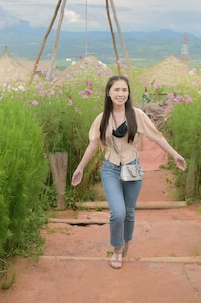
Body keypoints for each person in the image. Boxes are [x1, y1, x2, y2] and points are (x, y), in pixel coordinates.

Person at [71, 75, 187, 269]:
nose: (121, 94)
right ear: (109, 93)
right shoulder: (102, 119)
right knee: (117, 213)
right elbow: (93, 146)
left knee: (129, 212)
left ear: (128, 93)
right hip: (110, 169)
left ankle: (126, 242)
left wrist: (175, 155)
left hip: (132, 167)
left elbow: (157, 138)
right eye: (116, 90)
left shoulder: (137, 115)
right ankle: (117, 249)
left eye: (124, 90)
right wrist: (80, 168)